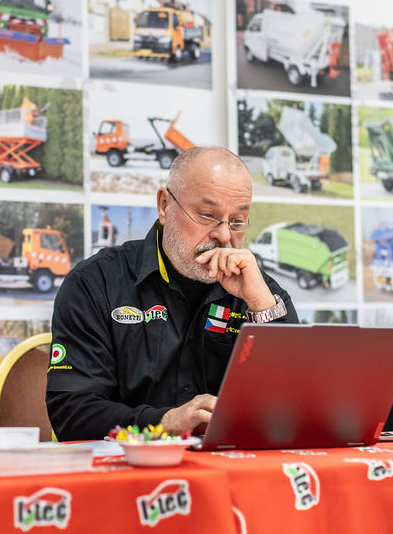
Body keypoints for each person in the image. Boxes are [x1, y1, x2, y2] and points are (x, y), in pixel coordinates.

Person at [46, 146, 297, 441]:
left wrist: (262, 308)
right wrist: (165, 423)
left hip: (229, 465)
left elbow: (301, 407)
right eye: (207, 215)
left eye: (238, 221)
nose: (224, 235)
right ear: (164, 205)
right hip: (129, 465)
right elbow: (72, 413)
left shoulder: (263, 293)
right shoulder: (95, 283)